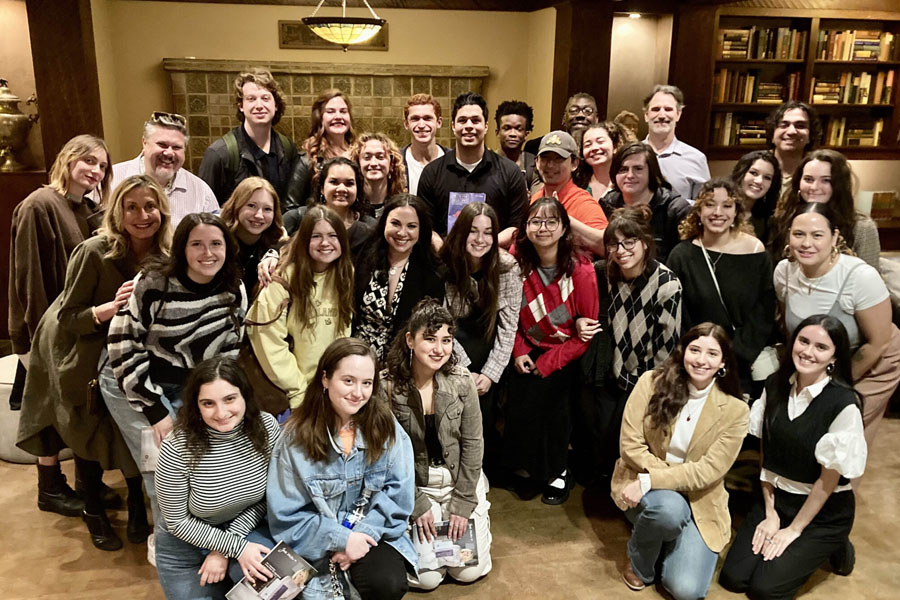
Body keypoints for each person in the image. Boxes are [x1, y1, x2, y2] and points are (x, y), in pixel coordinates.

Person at [17, 175, 170, 550]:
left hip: (133, 351)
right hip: (83, 348)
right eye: (131, 207)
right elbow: (68, 315)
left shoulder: (166, 255)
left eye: (149, 206)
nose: (141, 215)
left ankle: (137, 505)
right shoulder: (93, 252)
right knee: (90, 429)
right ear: (117, 211)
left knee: (135, 430)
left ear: (162, 212)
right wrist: (109, 309)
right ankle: (92, 511)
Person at [104, 212, 248, 535]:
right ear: (181, 247)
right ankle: (168, 547)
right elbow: (122, 343)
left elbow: (229, 350)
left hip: (192, 382)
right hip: (132, 377)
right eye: (196, 244)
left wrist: (215, 401)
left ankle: (207, 539)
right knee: (163, 465)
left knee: (202, 459)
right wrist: (155, 410)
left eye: (215, 244)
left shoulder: (233, 288)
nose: (207, 253)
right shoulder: (154, 283)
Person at [719, 315, 866, 598]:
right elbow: (766, 454)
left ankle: (837, 543)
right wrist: (771, 512)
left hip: (823, 510)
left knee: (765, 589)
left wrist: (794, 530)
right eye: (803, 341)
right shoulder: (774, 385)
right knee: (733, 579)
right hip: (777, 499)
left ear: (834, 357)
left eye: (821, 347)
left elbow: (828, 480)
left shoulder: (843, 404)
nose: (808, 352)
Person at [9, 134, 111, 518]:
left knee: (74, 406)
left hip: (74, 325)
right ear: (68, 159)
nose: (95, 171)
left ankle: (88, 484)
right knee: (47, 407)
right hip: (46, 327)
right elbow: (29, 276)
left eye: (102, 166)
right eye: (89, 161)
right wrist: (40, 337)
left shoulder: (84, 207)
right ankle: (49, 488)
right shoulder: (39, 205)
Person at [267, 338, 416, 599]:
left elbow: (398, 494)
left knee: (387, 582)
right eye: (348, 380)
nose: (358, 392)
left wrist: (362, 536)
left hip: (372, 533)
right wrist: (341, 539)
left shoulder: (386, 425)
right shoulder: (294, 438)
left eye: (366, 383)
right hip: (315, 541)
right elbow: (287, 516)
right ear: (325, 379)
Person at [613, 323, 749, 599]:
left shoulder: (736, 411)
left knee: (686, 591)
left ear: (723, 362)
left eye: (712, 353)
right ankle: (641, 564)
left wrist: (655, 478)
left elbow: (709, 471)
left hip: (699, 498)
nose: (701, 360)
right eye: (695, 349)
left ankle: (664, 537)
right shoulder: (650, 383)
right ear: (683, 351)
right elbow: (630, 446)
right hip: (645, 488)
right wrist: (655, 482)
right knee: (668, 510)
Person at [381, 299, 492, 589]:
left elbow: (473, 444)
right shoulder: (387, 386)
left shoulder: (462, 380)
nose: (439, 349)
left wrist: (464, 501)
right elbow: (386, 456)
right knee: (427, 579)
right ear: (410, 340)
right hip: (416, 483)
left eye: (446, 340)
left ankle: (480, 516)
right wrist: (416, 503)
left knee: (467, 572)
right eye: (429, 339)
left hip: (457, 481)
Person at [774, 202, 900, 452]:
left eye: (817, 235)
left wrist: (832, 388)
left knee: (840, 439)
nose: (806, 243)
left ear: (835, 238)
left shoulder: (860, 277)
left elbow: (878, 342)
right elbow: (792, 330)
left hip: (873, 362)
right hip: (819, 359)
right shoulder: (784, 273)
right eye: (799, 234)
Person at [155, 357, 281, 599]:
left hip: (245, 526)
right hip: (185, 543)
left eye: (229, 399)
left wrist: (225, 548)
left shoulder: (267, 427)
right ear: (196, 406)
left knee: (274, 589)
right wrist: (234, 547)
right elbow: (178, 522)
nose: (221, 412)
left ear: (245, 395)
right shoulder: (176, 447)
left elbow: (271, 495)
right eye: (208, 403)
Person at [504, 197, 598, 505]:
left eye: (550, 222)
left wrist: (549, 362)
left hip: (566, 351)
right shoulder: (516, 259)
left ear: (563, 228)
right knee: (521, 403)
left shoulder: (581, 269)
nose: (542, 228)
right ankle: (527, 469)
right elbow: (508, 313)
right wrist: (519, 350)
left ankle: (558, 471)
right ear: (525, 227)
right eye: (535, 222)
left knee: (557, 407)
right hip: (526, 345)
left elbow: (587, 331)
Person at [584, 206, 682, 483]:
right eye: (614, 243)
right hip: (607, 372)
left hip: (645, 378)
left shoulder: (667, 284)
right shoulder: (602, 273)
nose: (621, 250)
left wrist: (642, 384)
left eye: (630, 242)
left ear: (645, 242)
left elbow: (665, 349)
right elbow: (582, 307)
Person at [668, 179, 775, 394]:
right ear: (698, 210)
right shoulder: (681, 255)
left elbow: (764, 307)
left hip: (742, 365)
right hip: (695, 363)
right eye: (710, 204)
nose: (718, 212)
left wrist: (736, 354)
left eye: (727, 206)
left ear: (737, 212)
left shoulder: (755, 251)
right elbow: (678, 313)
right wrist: (700, 354)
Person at [439, 202, 521, 476]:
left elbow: (508, 327)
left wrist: (489, 374)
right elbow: (441, 324)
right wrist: (464, 370)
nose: (480, 239)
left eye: (487, 233)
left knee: (482, 419)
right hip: (451, 351)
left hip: (488, 353)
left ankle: (477, 473)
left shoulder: (507, 268)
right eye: (473, 231)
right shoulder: (446, 265)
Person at [247, 206, 353, 409]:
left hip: (330, 392)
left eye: (333, 235)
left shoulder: (345, 274)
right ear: (304, 240)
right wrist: (298, 391)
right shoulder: (281, 279)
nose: (325, 243)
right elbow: (267, 341)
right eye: (316, 236)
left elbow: (343, 335)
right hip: (291, 396)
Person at [417, 92, 529, 249]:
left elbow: (516, 225)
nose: (469, 125)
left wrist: (483, 246)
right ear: (454, 126)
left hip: (493, 264)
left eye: (475, 120)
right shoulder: (431, 173)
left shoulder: (510, 172)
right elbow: (425, 225)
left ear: (486, 126)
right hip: (444, 264)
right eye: (462, 120)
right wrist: (444, 249)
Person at [353, 194, 445, 362]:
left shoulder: (433, 273)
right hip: (358, 356)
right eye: (395, 223)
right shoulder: (363, 254)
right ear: (384, 224)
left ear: (421, 230)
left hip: (403, 363)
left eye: (411, 226)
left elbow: (428, 330)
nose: (402, 233)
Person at [199, 68, 298, 208]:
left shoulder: (287, 148)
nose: (259, 106)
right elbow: (204, 210)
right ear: (241, 106)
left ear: (275, 105)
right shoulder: (219, 153)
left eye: (265, 98)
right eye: (251, 99)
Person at [774, 149, 880, 269]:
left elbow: (871, 278)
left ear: (839, 185)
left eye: (826, 180)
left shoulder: (862, 227)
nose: (814, 187)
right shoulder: (784, 217)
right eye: (808, 179)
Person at [111, 111, 218, 225]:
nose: (169, 153)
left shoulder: (201, 192)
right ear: (144, 143)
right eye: (162, 145)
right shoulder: (111, 180)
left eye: (176, 147)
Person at [601, 141, 691, 262]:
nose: (630, 175)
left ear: (651, 172)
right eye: (623, 169)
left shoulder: (676, 209)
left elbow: (686, 260)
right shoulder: (607, 204)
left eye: (638, 169)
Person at [532, 130, 608, 255]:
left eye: (558, 159)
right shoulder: (536, 198)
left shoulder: (583, 202)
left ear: (574, 164)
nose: (550, 165)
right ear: (536, 162)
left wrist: (565, 219)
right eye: (545, 159)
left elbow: (608, 247)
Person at [284, 156, 376, 256]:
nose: (341, 188)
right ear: (322, 188)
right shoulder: (297, 218)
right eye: (334, 182)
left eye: (349, 183)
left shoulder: (371, 227)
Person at [286, 89, 356, 211]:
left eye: (343, 111)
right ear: (320, 118)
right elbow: (290, 207)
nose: (338, 116)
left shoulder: (360, 155)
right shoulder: (307, 160)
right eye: (330, 112)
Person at [642, 84, 710, 203]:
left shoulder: (696, 158)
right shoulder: (631, 155)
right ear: (646, 115)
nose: (662, 115)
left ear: (678, 114)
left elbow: (703, 205)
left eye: (668, 109)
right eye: (655, 109)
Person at [219, 176, 285, 296]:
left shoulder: (275, 245)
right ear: (236, 206)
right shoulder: (218, 241)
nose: (259, 215)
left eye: (267, 209)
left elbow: (291, 244)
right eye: (251, 206)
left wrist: (274, 253)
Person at [765, 101, 821, 196]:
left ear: (810, 136)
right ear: (772, 135)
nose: (791, 131)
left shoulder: (822, 173)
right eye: (784, 125)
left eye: (800, 126)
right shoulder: (752, 169)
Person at [730, 150, 782, 249]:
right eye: (753, 173)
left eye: (767, 177)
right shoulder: (720, 207)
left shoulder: (770, 221)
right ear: (741, 173)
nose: (759, 181)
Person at [351, 132, 407, 219]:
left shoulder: (402, 206)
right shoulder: (350, 207)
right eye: (367, 157)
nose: (373, 163)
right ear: (358, 163)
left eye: (380, 157)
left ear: (391, 163)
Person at [401, 93, 448, 196]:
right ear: (406, 124)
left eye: (427, 118)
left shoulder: (453, 161)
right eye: (415, 119)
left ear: (439, 122)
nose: (421, 125)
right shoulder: (396, 162)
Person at [524, 92, 599, 155]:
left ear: (596, 119)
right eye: (574, 110)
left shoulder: (600, 150)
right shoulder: (536, 147)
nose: (580, 115)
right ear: (564, 118)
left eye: (588, 111)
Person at [494, 100, 541, 193]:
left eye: (518, 129)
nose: (512, 134)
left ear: (526, 134)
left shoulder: (533, 164)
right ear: (497, 132)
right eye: (507, 128)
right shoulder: (487, 162)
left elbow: (537, 199)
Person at [575, 121, 626, 202]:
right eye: (588, 145)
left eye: (600, 142)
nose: (594, 148)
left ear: (615, 146)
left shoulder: (626, 183)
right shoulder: (578, 185)